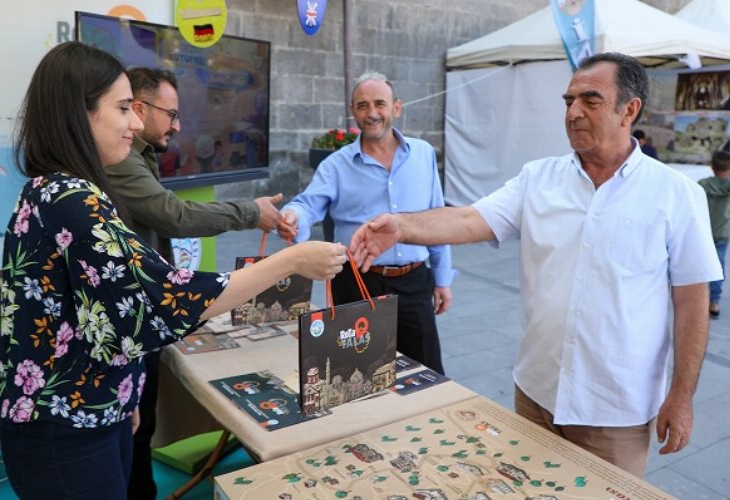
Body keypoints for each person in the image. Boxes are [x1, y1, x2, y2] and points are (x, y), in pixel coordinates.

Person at [0, 41, 345, 500]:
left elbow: (101, 314)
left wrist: (125, 397)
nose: (136, 124)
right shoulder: (70, 199)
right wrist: (291, 261)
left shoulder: (59, 190)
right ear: (78, 114)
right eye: (124, 109)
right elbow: (162, 299)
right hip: (67, 430)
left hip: (90, 412)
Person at [350, 53, 721, 478]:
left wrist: (682, 393)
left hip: (614, 410)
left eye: (591, 100)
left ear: (630, 109)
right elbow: (470, 218)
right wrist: (400, 226)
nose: (574, 112)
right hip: (536, 395)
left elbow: (692, 301)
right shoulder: (538, 179)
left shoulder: (675, 193)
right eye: (568, 101)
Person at [105, 67, 284, 499]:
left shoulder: (135, 156)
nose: (178, 125)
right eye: (171, 113)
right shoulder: (118, 162)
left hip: (137, 321)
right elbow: (174, 214)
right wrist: (252, 214)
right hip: (123, 327)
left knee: (138, 430)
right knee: (132, 434)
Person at [278, 71, 453, 374]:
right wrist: (293, 217)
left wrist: (442, 278)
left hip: (414, 283)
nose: (372, 113)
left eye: (379, 104)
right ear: (352, 111)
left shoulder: (423, 154)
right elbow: (308, 205)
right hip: (358, 283)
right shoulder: (336, 165)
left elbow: (435, 218)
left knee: (427, 373)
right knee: (357, 374)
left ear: (396, 108)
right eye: (362, 105)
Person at [699, 150, 730, 318]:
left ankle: (698, 299)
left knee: (698, 266)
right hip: (723, 233)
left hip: (702, 232)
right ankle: (714, 302)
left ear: (711, 166)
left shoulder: (702, 184)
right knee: (718, 267)